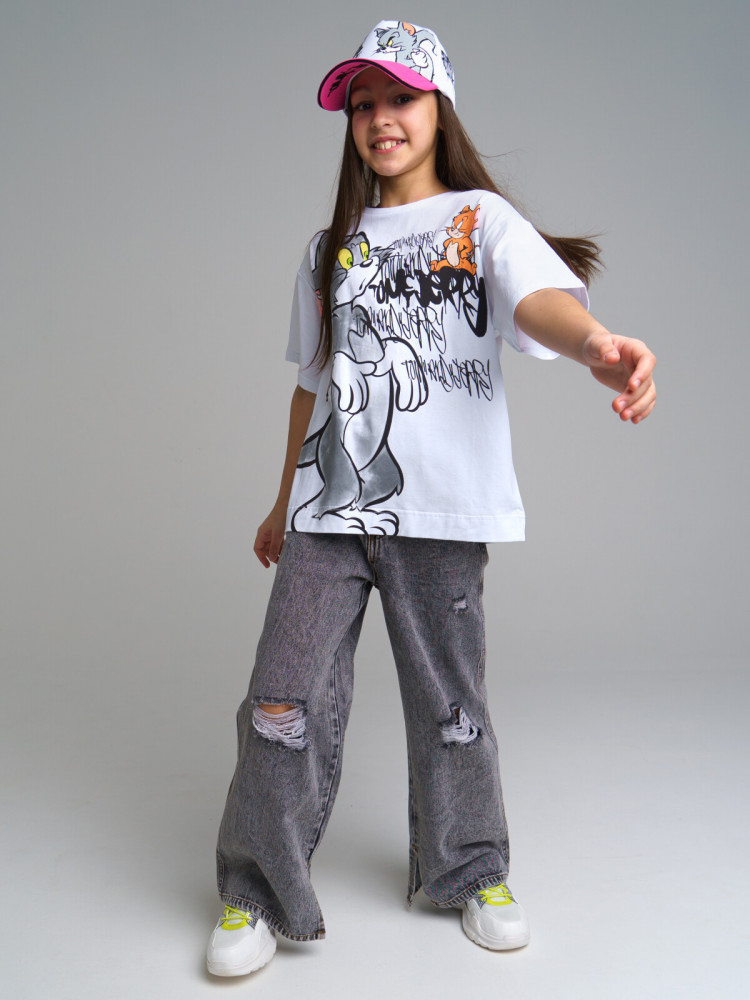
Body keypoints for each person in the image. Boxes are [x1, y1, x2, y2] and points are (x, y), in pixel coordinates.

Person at [206, 20, 657, 977]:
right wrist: (282, 504)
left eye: (401, 98)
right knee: (280, 697)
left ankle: (470, 868)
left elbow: (540, 303)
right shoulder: (330, 249)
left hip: (441, 514)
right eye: (362, 104)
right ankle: (255, 888)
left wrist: (595, 346)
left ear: (439, 107)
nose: (380, 118)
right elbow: (311, 387)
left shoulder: (480, 222)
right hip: (330, 513)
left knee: (453, 704)